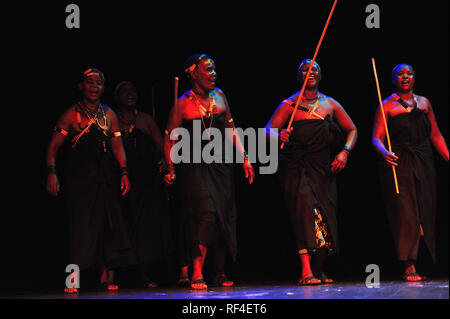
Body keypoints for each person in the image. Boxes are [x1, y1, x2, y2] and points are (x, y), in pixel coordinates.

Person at [163, 54, 255, 289]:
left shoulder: (220, 96)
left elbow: (232, 128)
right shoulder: (182, 104)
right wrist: (170, 168)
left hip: (221, 166)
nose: (214, 73)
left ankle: (219, 272)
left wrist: (245, 157)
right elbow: (170, 138)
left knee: (224, 213)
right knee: (206, 212)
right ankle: (196, 272)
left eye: (214, 69)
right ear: (193, 73)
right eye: (208, 69)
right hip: (195, 166)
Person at [265, 59, 357, 285]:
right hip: (296, 166)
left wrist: (344, 152)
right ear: (299, 76)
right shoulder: (290, 104)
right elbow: (268, 130)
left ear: (321, 76)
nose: (310, 72)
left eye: (315, 69)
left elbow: (352, 129)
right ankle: (305, 270)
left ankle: (317, 268)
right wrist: (279, 136)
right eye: (305, 69)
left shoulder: (330, 104)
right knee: (305, 213)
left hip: (323, 168)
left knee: (324, 216)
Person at [45, 68, 135, 293]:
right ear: (81, 86)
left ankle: (107, 278)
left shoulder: (109, 114)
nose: (94, 86)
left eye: (99, 83)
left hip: (106, 180)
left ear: (103, 88)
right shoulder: (70, 115)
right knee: (79, 230)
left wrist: (124, 172)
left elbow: (117, 147)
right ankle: (72, 279)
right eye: (90, 82)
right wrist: (51, 172)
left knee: (109, 227)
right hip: (80, 182)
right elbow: (53, 148)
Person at [372, 64, 449, 282]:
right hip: (398, 163)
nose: (405, 77)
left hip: (424, 160)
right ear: (393, 79)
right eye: (400, 74)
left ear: (415, 78)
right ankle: (409, 265)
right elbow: (376, 137)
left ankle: (423, 257)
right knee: (406, 212)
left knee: (425, 206)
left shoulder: (424, 103)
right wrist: (384, 152)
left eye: (409, 73)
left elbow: (436, 135)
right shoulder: (386, 105)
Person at [114, 81, 173, 288]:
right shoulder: (112, 118)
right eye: (125, 92)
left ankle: (145, 274)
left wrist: (166, 166)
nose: (130, 95)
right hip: (124, 180)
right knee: (124, 225)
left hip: (147, 181)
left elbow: (161, 147)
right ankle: (118, 275)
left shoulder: (146, 120)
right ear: (117, 96)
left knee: (147, 229)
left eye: (133, 91)